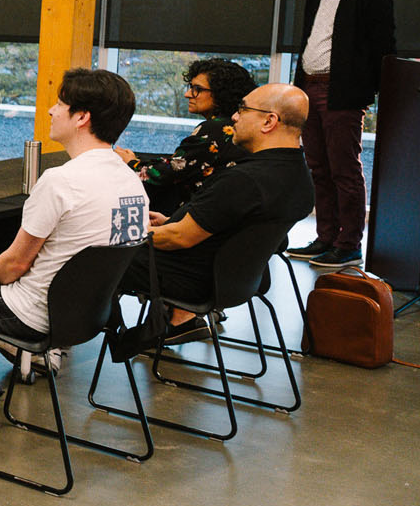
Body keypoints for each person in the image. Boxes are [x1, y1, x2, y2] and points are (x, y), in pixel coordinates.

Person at [0, 68, 148, 428]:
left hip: (30, 314)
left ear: (82, 118)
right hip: (86, 317)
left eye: (60, 104)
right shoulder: (131, 182)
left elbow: (14, 265)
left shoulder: (61, 181)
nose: (51, 110)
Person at [133, 84, 314, 343]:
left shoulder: (246, 179)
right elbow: (231, 229)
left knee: (89, 252)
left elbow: (178, 238)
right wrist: (171, 221)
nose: (235, 117)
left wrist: (120, 231)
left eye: (243, 109)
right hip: (237, 282)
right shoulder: (298, 175)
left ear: (269, 121)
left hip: (192, 280)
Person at [287, 0, 396, 269]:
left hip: (342, 93)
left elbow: (384, 51)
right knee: (318, 167)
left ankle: (348, 244)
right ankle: (325, 237)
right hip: (309, 87)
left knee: (343, 170)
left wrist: (363, 92)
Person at [116, 58, 253, 215]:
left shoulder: (213, 129)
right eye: (190, 87)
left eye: (197, 89)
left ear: (221, 93)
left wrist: (131, 162)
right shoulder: (234, 126)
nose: (188, 94)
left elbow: (169, 172)